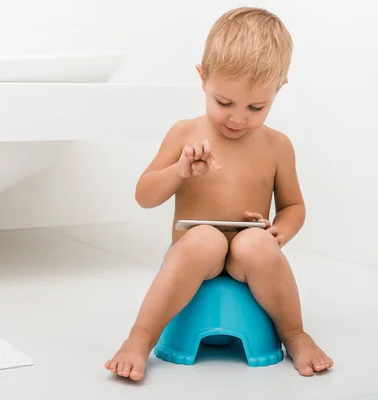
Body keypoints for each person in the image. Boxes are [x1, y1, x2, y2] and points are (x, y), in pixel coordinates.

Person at [105, 6, 333, 381]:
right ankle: (140, 338)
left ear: (279, 90)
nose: (237, 118)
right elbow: (144, 195)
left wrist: (280, 231)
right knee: (206, 239)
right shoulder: (184, 133)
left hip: (249, 255)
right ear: (203, 78)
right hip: (197, 254)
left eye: (256, 106)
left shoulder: (277, 146)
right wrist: (179, 171)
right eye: (224, 102)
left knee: (255, 245)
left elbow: (293, 205)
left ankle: (294, 334)